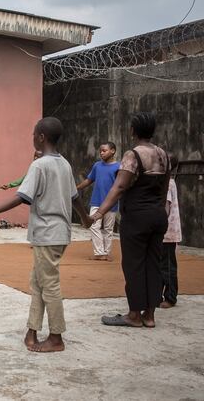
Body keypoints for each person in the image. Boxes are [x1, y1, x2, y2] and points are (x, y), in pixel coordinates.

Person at [0, 117, 91, 353]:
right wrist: (85, 219)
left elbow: (22, 197)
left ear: (41, 137)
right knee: (38, 282)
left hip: (48, 233)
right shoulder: (64, 164)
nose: (32, 138)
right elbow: (75, 197)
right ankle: (32, 331)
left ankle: (56, 337)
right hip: (59, 232)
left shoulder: (39, 165)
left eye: (34, 134)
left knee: (50, 284)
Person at [95, 113, 170, 328]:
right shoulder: (163, 154)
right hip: (158, 215)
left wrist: (99, 213)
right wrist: (160, 211)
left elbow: (119, 186)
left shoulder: (133, 155)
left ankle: (134, 315)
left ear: (133, 131)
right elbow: (164, 188)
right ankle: (150, 315)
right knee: (153, 264)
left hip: (137, 216)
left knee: (134, 265)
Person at [76, 142, 120, 261]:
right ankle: (100, 252)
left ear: (113, 151)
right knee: (94, 226)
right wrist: (77, 188)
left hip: (111, 203)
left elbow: (120, 186)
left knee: (108, 229)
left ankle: (106, 253)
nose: (101, 153)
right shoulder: (97, 165)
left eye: (104, 150)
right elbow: (89, 180)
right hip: (96, 202)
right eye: (100, 151)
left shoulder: (118, 167)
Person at [160, 155, 181, 308]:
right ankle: (162, 295)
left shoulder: (167, 183)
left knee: (167, 266)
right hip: (167, 232)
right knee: (164, 265)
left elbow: (165, 207)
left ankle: (170, 297)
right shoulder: (170, 182)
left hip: (167, 232)